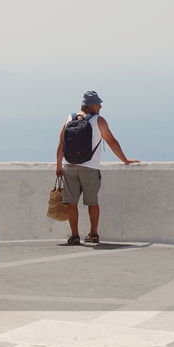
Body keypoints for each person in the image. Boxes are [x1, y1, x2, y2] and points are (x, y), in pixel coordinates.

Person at [55, 90, 140, 245]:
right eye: (98, 103)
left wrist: (59, 165)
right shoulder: (98, 120)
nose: (100, 106)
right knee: (92, 203)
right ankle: (93, 234)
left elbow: (61, 144)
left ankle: (74, 236)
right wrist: (124, 159)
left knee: (71, 203)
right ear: (91, 105)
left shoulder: (69, 118)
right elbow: (111, 141)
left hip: (70, 166)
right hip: (90, 168)